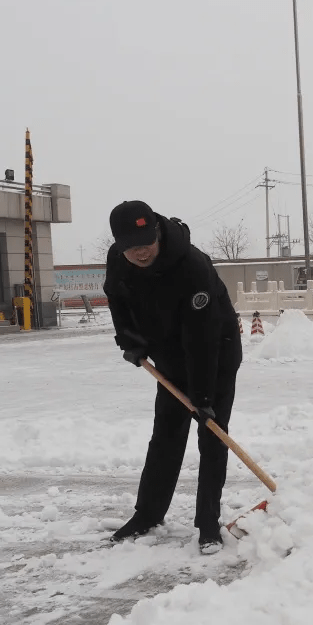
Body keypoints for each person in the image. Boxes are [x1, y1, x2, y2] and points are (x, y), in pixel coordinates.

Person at [103, 200, 242, 554]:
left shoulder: (191, 265)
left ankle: (208, 523)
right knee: (165, 435)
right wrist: (129, 340)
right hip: (169, 355)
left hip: (216, 352)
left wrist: (203, 397)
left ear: (157, 233)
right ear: (120, 245)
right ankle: (147, 514)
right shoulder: (119, 261)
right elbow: (116, 298)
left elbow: (203, 336)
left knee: (212, 434)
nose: (141, 252)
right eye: (132, 247)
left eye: (146, 243)